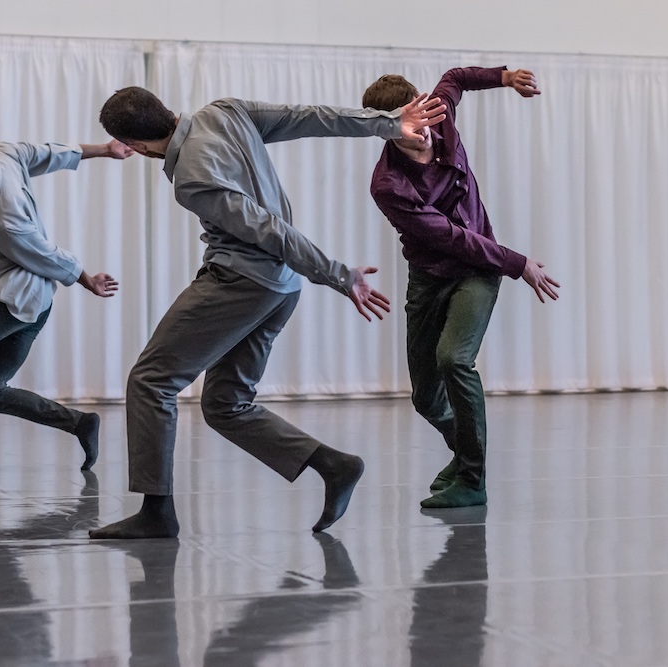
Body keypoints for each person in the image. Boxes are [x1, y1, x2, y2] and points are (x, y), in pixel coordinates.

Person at [89, 87, 447, 539]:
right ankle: (334, 465)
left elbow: (266, 230)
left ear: (138, 147)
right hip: (282, 288)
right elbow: (311, 115)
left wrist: (338, 275)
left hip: (241, 283)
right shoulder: (225, 111)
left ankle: (157, 513)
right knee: (225, 404)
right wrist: (388, 122)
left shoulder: (192, 177)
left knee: (151, 380)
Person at [362, 67, 560, 509]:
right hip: (431, 277)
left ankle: (472, 479)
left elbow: (456, 77)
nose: (425, 131)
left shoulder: (439, 112)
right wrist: (519, 262)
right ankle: (466, 455)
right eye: (411, 128)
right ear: (387, 131)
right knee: (426, 398)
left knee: (455, 358)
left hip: (479, 269)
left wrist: (505, 78)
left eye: (425, 116)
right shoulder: (388, 185)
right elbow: (450, 238)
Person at [0, 138, 131, 475]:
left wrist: (86, 278)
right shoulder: (0, 153)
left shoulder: (6, 217)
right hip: (36, 302)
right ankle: (80, 423)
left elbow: (44, 253)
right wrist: (104, 149)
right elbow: (48, 153)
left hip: (10, 300)